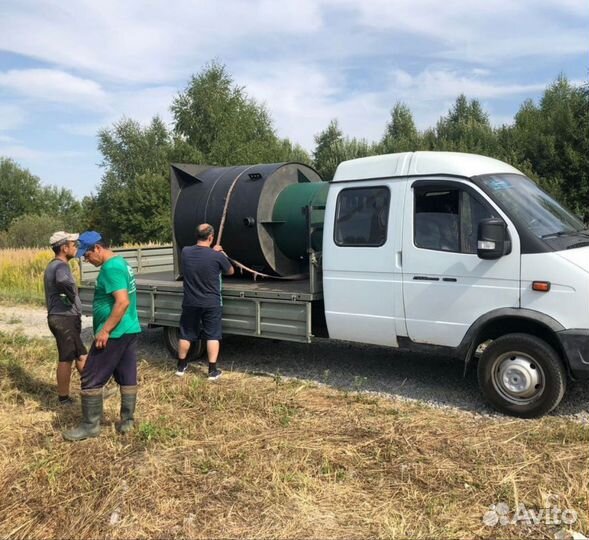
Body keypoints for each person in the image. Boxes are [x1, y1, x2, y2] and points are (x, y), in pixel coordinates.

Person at [63, 231, 141, 441]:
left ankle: (90, 426)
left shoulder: (111, 268)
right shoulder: (121, 263)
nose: (86, 259)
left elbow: (122, 302)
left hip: (114, 332)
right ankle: (127, 421)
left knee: (90, 376)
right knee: (126, 375)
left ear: (97, 248)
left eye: (87, 255)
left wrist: (105, 330)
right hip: (129, 329)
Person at [177, 223, 234, 379]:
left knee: (186, 334)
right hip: (211, 302)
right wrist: (221, 253)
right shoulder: (216, 256)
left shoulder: (186, 252)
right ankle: (212, 371)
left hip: (190, 301)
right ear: (211, 237)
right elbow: (230, 271)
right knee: (212, 335)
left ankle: (181, 367)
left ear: (197, 236)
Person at [44, 231, 87, 405]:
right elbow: (62, 281)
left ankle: (93, 387)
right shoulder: (61, 267)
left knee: (80, 355)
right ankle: (64, 398)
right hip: (64, 318)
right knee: (67, 357)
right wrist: (71, 295)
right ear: (64, 248)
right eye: (73, 244)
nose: (75, 247)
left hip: (62, 317)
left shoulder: (53, 265)